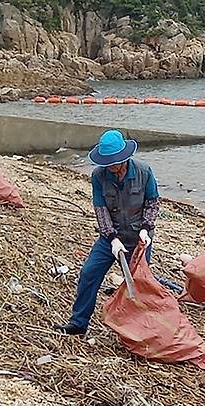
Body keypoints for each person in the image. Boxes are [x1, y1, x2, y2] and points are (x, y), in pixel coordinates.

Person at [55, 130, 159, 335]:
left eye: (115, 162)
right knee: (89, 273)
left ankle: (140, 331)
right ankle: (78, 323)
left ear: (125, 157)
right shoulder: (99, 176)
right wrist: (111, 238)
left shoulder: (144, 172)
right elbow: (100, 209)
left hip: (139, 238)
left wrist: (146, 229)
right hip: (111, 237)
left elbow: (152, 202)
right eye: (107, 163)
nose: (112, 167)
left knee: (137, 284)